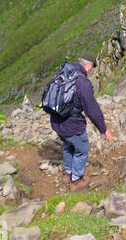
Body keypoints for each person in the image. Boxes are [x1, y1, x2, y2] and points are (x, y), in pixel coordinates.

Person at [48, 56, 112, 190]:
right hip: (72, 125)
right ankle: (76, 181)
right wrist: (103, 129)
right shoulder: (83, 83)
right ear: (88, 66)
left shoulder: (64, 72)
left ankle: (68, 173)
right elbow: (92, 110)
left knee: (68, 145)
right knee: (82, 150)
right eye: (91, 69)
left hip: (56, 121)